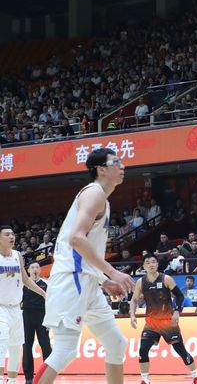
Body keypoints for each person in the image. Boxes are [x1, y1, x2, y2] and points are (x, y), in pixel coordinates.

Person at [37, 148, 134, 384]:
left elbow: (84, 248)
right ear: (101, 169)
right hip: (71, 279)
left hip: (87, 280)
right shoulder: (94, 193)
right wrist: (112, 272)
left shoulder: (102, 199)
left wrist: (103, 280)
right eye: (116, 162)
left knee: (116, 343)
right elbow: (76, 239)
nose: (122, 166)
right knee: (65, 351)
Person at [129, 254, 197, 384]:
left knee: (181, 350)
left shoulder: (166, 279)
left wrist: (177, 311)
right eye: (148, 262)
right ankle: (145, 379)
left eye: (153, 262)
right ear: (144, 266)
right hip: (151, 323)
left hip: (168, 322)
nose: (151, 264)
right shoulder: (140, 282)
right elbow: (134, 300)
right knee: (143, 350)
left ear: (157, 264)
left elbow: (179, 296)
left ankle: (196, 376)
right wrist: (132, 315)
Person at [0, 227, 47, 384]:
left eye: (13, 234)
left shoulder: (17, 255)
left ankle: (12, 381)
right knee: (1, 345)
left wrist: (45, 294)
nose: (11, 236)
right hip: (1, 308)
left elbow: (26, 280)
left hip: (16, 309)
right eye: (7, 234)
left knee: (16, 348)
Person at [22, 261, 52, 384]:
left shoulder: (46, 283)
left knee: (46, 346)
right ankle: (28, 378)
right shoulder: (23, 284)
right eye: (32, 267)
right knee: (26, 346)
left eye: (37, 267)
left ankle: (47, 375)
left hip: (42, 317)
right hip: (26, 316)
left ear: (40, 270)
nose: (35, 269)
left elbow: (51, 302)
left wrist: (50, 320)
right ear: (28, 270)